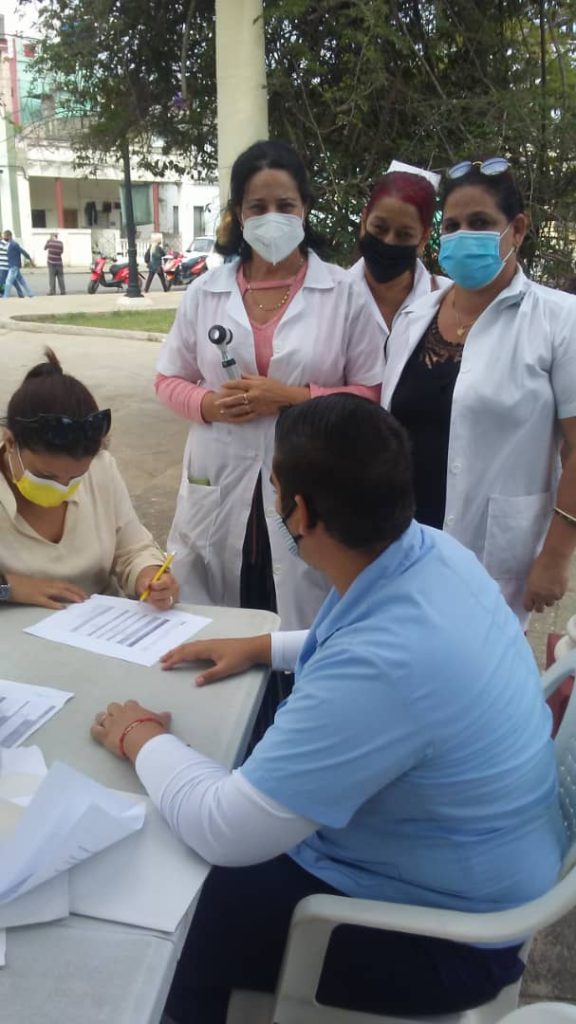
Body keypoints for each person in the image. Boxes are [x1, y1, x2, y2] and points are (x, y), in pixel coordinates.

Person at [91, 395, 563, 1023]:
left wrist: (141, 736)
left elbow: (224, 829)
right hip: (483, 867)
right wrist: (263, 646)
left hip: (441, 938)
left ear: (300, 512)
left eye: (274, 489)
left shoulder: (385, 667)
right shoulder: (432, 553)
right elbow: (357, 634)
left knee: (166, 903)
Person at [155, 139, 383, 629]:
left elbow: (372, 394)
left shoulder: (344, 293)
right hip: (220, 478)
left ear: (306, 209)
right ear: (239, 213)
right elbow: (168, 378)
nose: (271, 217)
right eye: (257, 207)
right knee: (219, 618)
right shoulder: (205, 292)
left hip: (307, 480)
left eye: (285, 205)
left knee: (303, 622)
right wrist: (207, 405)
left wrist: (294, 399)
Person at [381, 157, 576, 627]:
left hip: (492, 554)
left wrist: (556, 554)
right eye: (452, 225)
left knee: (477, 662)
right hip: (400, 544)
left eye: (480, 223)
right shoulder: (413, 318)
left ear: (518, 229)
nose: (463, 235)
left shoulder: (559, 320)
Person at [0, 349, 179, 610]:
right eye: (46, 476)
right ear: (10, 442)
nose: (62, 487)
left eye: (75, 477)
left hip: (99, 621)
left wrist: (149, 575)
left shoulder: (100, 468)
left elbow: (133, 549)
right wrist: (7, 587)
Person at [349, 170, 449, 354]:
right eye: (380, 228)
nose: (388, 241)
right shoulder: (329, 298)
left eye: (404, 235)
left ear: (423, 238)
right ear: (364, 221)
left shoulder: (450, 300)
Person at [2, 230, 34, 299]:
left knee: (8, 281)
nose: (4, 238)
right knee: (22, 281)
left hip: (14, 266)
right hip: (13, 265)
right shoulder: (9, 244)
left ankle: (5, 296)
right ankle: (30, 294)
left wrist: (29, 258)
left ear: (9, 236)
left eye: (5, 236)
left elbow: (22, 251)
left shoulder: (14, 244)